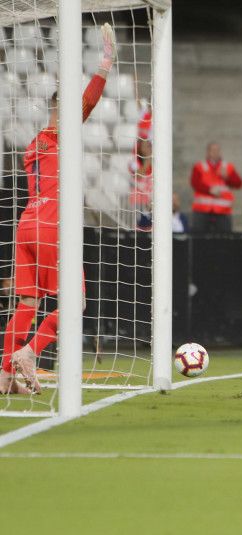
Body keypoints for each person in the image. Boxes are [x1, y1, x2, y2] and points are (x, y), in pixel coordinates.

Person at [1, 23, 116, 394]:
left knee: (27, 302)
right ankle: (30, 353)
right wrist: (106, 61)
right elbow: (91, 99)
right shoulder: (62, 136)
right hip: (53, 227)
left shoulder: (33, 144)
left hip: (27, 226)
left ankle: (3, 377)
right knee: (76, 303)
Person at [190, 142, 242, 233]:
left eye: (217, 150)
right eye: (212, 150)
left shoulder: (227, 167)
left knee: (224, 240)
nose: (215, 153)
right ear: (208, 152)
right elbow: (195, 183)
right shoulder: (199, 166)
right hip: (202, 210)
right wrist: (209, 190)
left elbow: (239, 184)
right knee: (200, 240)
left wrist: (227, 177)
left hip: (222, 211)